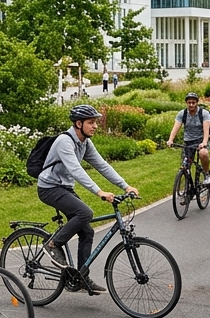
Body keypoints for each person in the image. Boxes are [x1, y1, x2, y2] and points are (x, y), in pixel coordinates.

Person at [38, 104, 139, 293]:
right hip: (49, 188)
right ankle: (53, 244)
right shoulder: (64, 141)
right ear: (78, 123)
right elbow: (76, 170)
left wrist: (125, 185)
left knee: (87, 232)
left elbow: (102, 165)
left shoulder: (84, 142)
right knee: (85, 213)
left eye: (95, 122)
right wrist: (99, 192)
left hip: (64, 188)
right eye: (91, 122)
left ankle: (81, 278)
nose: (95, 126)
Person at [167, 93, 210, 178]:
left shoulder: (204, 113)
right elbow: (176, 127)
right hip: (188, 141)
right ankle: (187, 186)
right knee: (185, 165)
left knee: (203, 154)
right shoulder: (182, 114)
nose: (191, 105)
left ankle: (206, 174)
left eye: (193, 102)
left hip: (201, 140)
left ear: (197, 103)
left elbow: (206, 131)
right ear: (186, 103)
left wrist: (204, 142)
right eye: (189, 103)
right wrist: (170, 140)